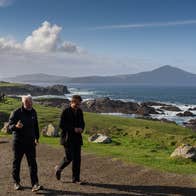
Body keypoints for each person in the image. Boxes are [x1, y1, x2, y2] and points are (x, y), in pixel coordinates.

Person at [8, 95, 42, 192]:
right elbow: (9, 127)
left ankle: (35, 184)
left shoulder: (33, 112)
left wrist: (37, 138)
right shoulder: (16, 112)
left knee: (33, 164)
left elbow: (36, 126)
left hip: (30, 143)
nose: (30, 103)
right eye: (27, 102)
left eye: (31, 101)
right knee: (16, 163)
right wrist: (16, 126)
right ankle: (16, 183)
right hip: (18, 142)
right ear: (23, 102)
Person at [55, 95, 85, 184]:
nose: (77, 105)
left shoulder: (80, 111)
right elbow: (61, 125)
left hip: (77, 138)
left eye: (79, 103)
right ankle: (59, 168)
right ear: (71, 102)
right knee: (69, 157)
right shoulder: (65, 111)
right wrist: (73, 129)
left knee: (77, 159)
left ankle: (76, 179)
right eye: (75, 103)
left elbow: (83, 123)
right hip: (67, 138)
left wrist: (81, 128)